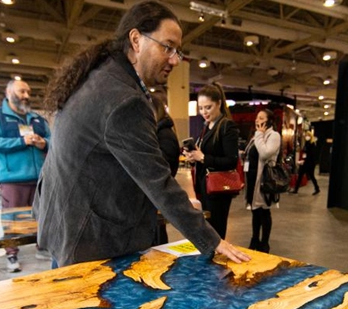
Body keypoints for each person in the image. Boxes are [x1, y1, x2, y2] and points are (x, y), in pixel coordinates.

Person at [33, 0, 248, 267]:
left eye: (177, 51)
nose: (174, 60)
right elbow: (157, 181)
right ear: (136, 40)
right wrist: (212, 240)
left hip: (66, 225)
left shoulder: (98, 77)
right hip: (90, 241)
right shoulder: (124, 99)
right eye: (167, 47)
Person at [0, 79, 51, 273]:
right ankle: (12, 254)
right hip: (13, 178)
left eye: (28, 92)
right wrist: (21, 141)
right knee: (12, 219)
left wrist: (44, 143)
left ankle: (42, 247)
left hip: (39, 177)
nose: (26, 96)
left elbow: (53, 139)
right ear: (9, 92)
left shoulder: (36, 118)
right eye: (22, 92)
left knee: (43, 215)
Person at [184, 83, 240, 239]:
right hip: (205, 187)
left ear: (219, 103)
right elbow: (204, 155)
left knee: (216, 232)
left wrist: (203, 157)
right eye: (201, 108)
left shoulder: (227, 126)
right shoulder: (206, 126)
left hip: (219, 188)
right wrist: (194, 157)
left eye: (208, 107)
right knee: (208, 231)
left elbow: (231, 161)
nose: (204, 112)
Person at [244, 109, 281, 253]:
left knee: (264, 211)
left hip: (265, 179)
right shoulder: (258, 135)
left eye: (261, 118)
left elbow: (265, 153)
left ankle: (264, 243)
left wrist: (259, 135)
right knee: (255, 211)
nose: (257, 120)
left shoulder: (274, 135)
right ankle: (254, 239)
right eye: (256, 117)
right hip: (253, 179)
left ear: (269, 121)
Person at [150, 90, 180, 245]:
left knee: (158, 238)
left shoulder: (164, 134)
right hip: (156, 195)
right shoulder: (159, 132)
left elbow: (163, 168)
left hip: (158, 195)